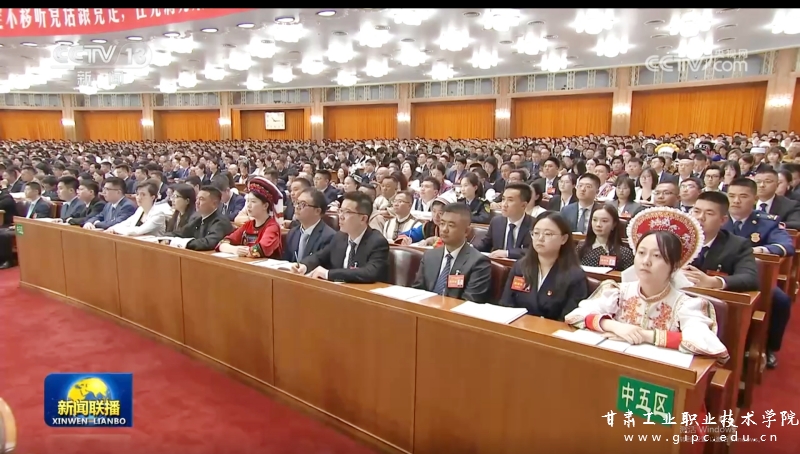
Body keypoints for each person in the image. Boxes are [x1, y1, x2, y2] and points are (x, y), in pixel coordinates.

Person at [565, 208, 729, 362]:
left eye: (657, 255)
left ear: (674, 265)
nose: (646, 261)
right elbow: (576, 316)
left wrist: (645, 335)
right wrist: (614, 326)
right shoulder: (618, 292)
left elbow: (704, 342)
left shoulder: (684, 305)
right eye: (641, 253)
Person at [724, 177, 794, 368]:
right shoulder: (717, 217)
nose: (736, 201)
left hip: (753, 277)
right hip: (718, 273)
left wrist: (760, 250)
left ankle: (768, 346)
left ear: (755, 199)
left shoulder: (766, 222)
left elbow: (787, 246)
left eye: (743, 196)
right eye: (731, 196)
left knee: (780, 301)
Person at [497, 211, 588, 320]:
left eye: (548, 234)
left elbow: (570, 318)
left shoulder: (575, 275)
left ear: (563, 239)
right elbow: (506, 304)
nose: (540, 238)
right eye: (536, 233)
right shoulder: (520, 266)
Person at [291, 191, 389, 283]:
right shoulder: (340, 237)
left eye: (347, 212)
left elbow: (369, 272)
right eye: (341, 211)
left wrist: (328, 274)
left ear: (363, 219)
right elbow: (320, 256)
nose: (341, 216)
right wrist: (304, 265)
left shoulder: (377, 242)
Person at [412, 203, 492, 302]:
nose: (444, 229)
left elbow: (469, 303)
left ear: (466, 231)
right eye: (442, 223)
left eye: (451, 225)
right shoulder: (429, 255)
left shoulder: (478, 262)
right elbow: (417, 291)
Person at [686, 191, 759, 292]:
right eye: (696, 211)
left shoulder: (738, 245)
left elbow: (750, 278)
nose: (700, 217)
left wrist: (714, 282)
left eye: (709, 213)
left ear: (723, 220)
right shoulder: (676, 238)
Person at [216, 177, 283, 259]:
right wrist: (235, 249)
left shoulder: (272, 227)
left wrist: (243, 251)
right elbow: (222, 243)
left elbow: (261, 249)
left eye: (253, 201)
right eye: (248, 201)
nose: (248, 205)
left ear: (265, 206)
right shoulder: (248, 225)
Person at [473, 183, 534, 259]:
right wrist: (470, 247)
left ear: (523, 205)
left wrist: (508, 253)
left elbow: (532, 251)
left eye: (510, 200)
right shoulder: (496, 222)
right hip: (498, 264)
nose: (504, 204)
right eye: (503, 199)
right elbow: (485, 244)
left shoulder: (535, 224)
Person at [166, 185, 234, 251]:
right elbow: (181, 233)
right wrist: (164, 238)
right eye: (197, 199)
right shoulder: (198, 219)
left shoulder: (221, 222)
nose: (197, 202)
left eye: (201, 199)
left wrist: (181, 243)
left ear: (214, 203)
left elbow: (208, 243)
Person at [283, 187, 336, 262]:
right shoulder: (292, 233)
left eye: (303, 204)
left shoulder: (329, 237)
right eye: (297, 203)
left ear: (317, 211)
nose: (297, 207)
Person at [576, 204, 634, 271]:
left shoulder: (624, 253)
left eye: (604, 221)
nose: (598, 224)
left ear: (614, 224)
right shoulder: (581, 248)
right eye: (594, 220)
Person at [105, 180, 173, 237]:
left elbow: (138, 231)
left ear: (153, 197)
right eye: (137, 194)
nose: (139, 197)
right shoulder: (140, 210)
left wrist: (116, 230)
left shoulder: (158, 214)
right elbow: (126, 223)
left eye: (143, 194)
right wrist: (112, 228)